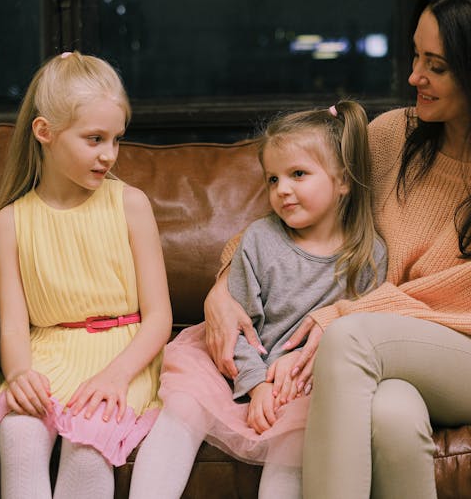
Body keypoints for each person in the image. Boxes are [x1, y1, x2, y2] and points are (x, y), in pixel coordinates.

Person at [203, 0, 471, 497]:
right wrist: (222, 287)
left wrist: (348, 315)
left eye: (436, 66)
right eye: (415, 56)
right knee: (393, 414)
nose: (413, 77)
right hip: (389, 354)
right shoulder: (391, 138)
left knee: (350, 338)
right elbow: (289, 226)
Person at [128, 101, 387, 499]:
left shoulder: (369, 257)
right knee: (182, 408)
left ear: (344, 181)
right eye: (272, 179)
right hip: (235, 365)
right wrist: (255, 386)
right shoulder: (260, 240)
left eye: (298, 174)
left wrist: (288, 385)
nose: (282, 189)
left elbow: (365, 333)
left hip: (307, 386)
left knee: (298, 441)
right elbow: (237, 327)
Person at [0, 51, 172, 499]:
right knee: (19, 431)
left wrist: (117, 376)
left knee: (87, 443)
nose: (109, 155)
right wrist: (19, 374)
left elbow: (159, 316)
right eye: (94, 139)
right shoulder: (10, 222)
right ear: (45, 133)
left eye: (116, 139)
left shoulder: (130, 204)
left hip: (122, 354)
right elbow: (16, 325)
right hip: (47, 352)